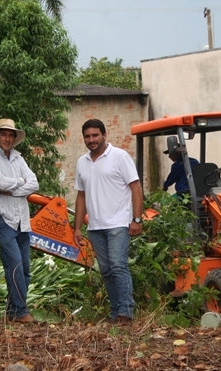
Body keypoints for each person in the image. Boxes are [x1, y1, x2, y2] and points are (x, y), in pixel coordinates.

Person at [73, 119, 143, 324]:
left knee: (118, 265)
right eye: (87, 136)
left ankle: (126, 312)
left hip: (118, 224)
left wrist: (136, 219)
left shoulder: (119, 157)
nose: (91, 140)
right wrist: (77, 227)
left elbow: (136, 188)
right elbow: (81, 197)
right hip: (95, 227)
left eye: (95, 135)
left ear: (104, 135)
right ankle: (115, 312)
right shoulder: (81, 162)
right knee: (106, 270)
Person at [0, 118, 39, 323]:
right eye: (3, 134)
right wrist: (20, 185)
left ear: (14, 138)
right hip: (3, 219)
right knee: (13, 264)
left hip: (22, 219)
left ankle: (13, 311)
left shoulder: (19, 159)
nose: (7, 138)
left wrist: (12, 189)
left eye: (10, 135)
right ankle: (21, 312)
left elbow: (34, 183)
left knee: (24, 268)